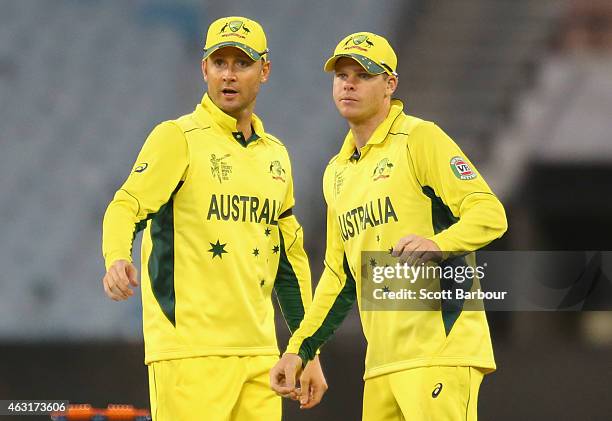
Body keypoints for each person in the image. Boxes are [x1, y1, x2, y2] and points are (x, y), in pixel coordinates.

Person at [270, 32, 507, 420]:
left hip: (438, 351)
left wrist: (439, 244)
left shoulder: (420, 139)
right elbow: (339, 277)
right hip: (381, 364)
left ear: (390, 84)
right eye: (341, 74)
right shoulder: (337, 173)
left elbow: (489, 213)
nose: (348, 83)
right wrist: (299, 349)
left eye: (363, 75)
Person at [101, 16, 326, 421]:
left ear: (265, 71)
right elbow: (127, 206)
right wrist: (117, 256)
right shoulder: (177, 138)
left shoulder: (276, 156)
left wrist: (306, 349)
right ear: (204, 68)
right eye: (219, 63)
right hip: (190, 353)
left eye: (242, 63)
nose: (229, 75)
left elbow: (289, 263)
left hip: (260, 356)